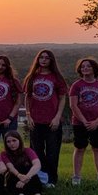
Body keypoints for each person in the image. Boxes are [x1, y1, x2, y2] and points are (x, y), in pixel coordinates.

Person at [23, 49, 69, 186]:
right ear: (37, 60)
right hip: (35, 121)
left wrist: (57, 117)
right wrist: (28, 115)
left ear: (51, 61)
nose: (43, 60)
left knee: (52, 152)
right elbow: (27, 97)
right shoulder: (32, 77)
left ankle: (52, 180)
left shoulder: (57, 78)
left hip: (52, 121)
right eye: (41, 57)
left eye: (47, 58)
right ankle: (40, 178)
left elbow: (62, 98)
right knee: (36, 152)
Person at [69, 57, 98, 188]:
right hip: (79, 123)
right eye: (82, 67)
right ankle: (76, 176)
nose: (85, 68)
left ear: (94, 68)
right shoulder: (76, 85)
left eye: (88, 66)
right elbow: (73, 105)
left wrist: (96, 122)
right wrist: (84, 121)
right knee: (80, 148)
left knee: (97, 149)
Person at [1, 130, 45, 195]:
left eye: (14, 140)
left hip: (29, 178)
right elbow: (10, 167)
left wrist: (26, 178)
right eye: (8, 142)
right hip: (14, 178)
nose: (11, 144)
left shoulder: (28, 150)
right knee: (17, 168)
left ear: (19, 140)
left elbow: (37, 164)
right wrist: (19, 175)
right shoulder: (4, 154)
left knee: (29, 169)